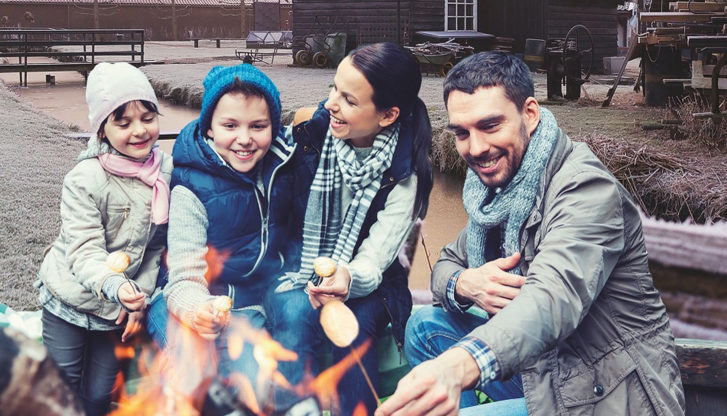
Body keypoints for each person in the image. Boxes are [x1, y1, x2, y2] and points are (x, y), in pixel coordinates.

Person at [377, 51, 686, 416]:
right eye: (462, 133)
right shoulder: (498, 192)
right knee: (424, 327)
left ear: (530, 114)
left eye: (490, 126)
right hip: (543, 370)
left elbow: (551, 299)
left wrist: (458, 366)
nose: (475, 148)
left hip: (605, 391)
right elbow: (447, 263)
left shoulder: (586, 189)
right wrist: (465, 283)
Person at [266, 41, 433, 415]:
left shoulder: (406, 174)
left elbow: (376, 258)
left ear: (388, 115)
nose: (331, 104)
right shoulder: (311, 134)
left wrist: (347, 278)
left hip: (373, 282)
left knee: (355, 319)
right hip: (299, 267)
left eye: (349, 100)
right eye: (334, 89)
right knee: (293, 310)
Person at [150, 63, 300, 406]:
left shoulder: (283, 167)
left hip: (250, 306)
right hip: (189, 302)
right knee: (194, 383)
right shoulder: (191, 188)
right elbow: (183, 277)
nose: (244, 139)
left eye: (258, 126)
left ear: (274, 127)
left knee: (259, 389)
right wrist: (199, 310)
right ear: (209, 128)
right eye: (230, 126)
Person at [36, 62, 172, 416]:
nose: (139, 131)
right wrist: (115, 285)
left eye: (147, 118)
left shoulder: (165, 173)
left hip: (116, 312)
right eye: (123, 123)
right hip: (70, 299)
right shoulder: (84, 179)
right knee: (63, 389)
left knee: (98, 395)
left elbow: (155, 248)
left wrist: (138, 297)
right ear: (102, 130)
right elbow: (84, 250)